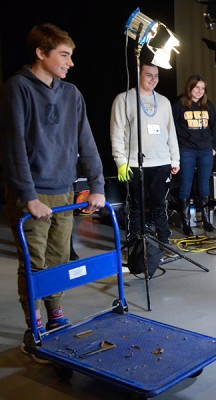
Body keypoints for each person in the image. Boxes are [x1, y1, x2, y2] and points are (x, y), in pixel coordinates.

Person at [0, 23, 106, 362]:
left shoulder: (72, 94)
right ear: (41, 53)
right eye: (64, 55)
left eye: (71, 56)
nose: (70, 63)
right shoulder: (17, 89)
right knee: (34, 264)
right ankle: (35, 329)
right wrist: (28, 196)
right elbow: (13, 147)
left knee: (60, 260)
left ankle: (56, 315)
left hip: (63, 191)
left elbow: (85, 142)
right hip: (31, 195)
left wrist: (97, 185)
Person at [110, 61, 180, 246]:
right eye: (149, 75)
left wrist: (175, 159)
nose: (154, 79)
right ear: (139, 75)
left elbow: (171, 132)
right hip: (134, 163)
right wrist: (121, 162)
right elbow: (116, 134)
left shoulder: (164, 101)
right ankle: (135, 245)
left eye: (156, 76)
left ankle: (163, 241)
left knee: (160, 205)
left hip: (161, 162)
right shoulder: (123, 99)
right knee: (136, 207)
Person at [172, 74, 216, 234]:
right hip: (186, 150)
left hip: (205, 150)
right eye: (197, 87)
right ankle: (186, 224)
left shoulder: (208, 106)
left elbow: (214, 128)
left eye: (202, 88)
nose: (200, 91)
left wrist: (214, 147)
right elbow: (171, 128)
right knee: (185, 185)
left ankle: (206, 221)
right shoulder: (179, 105)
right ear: (190, 87)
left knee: (204, 186)